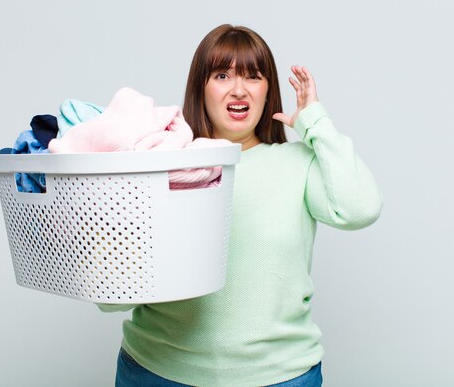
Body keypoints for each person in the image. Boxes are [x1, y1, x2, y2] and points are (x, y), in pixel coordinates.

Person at [102, 24, 383, 387]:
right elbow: (112, 293)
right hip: (157, 372)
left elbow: (361, 208)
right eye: (222, 75)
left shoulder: (299, 163)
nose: (239, 89)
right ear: (200, 88)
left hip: (279, 376)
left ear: (269, 91)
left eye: (253, 76)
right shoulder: (165, 161)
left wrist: (316, 124)